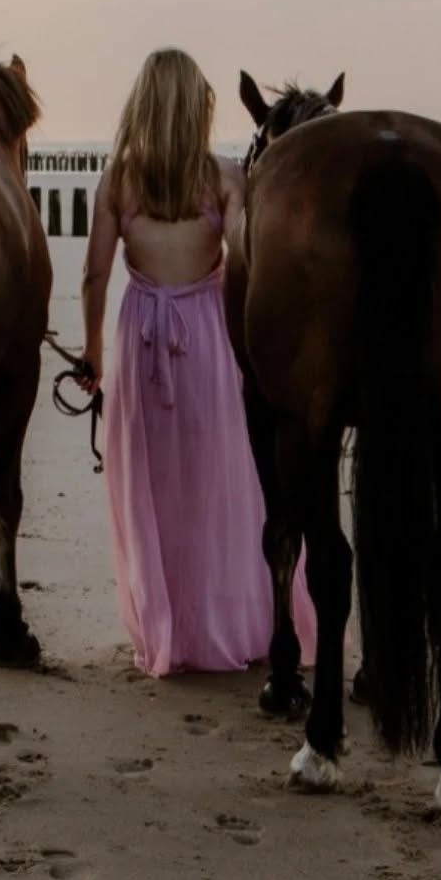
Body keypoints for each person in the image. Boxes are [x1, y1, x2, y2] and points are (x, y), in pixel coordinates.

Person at [76, 48, 316, 677]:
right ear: (200, 110)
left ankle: (170, 631)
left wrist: (92, 352)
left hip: (141, 340)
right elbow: (244, 257)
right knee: (220, 484)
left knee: (153, 490)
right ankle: (230, 620)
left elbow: (94, 274)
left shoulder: (119, 180)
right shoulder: (225, 177)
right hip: (209, 337)